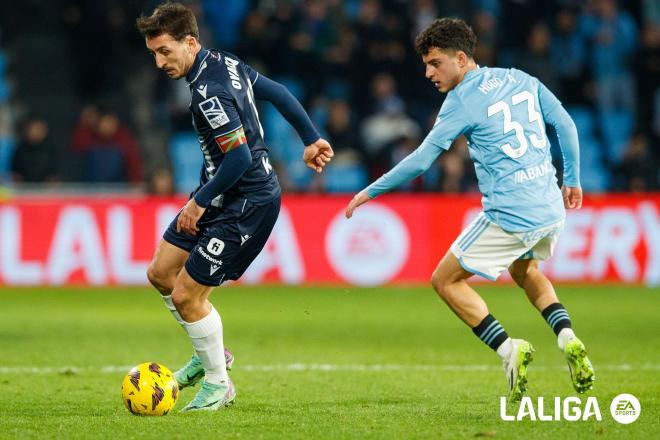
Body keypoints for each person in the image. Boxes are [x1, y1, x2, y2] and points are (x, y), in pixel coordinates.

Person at [346, 18, 594, 402]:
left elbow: (421, 160)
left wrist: (370, 191)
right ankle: (568, 337)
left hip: (511, 212)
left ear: (461, 58)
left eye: (435, 63)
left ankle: (509, 350)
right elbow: (565, 123)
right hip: (549, 207)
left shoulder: (460, 101)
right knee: (525, 269)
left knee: (444, 280)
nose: (428, 72)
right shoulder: (520, 77)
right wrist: (573, 178)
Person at [135, 2, 333, 411]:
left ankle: (217, 384)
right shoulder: (223, 62)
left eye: (165, 51)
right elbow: (277, 91)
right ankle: (209, 352)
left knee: (189, 296)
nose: (159, 62)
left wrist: (198, 204)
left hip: (247, 200)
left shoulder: (210, 92)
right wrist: (310, 137)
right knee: (161, 273)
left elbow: (239, 157)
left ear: (190, 42)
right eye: (154, 53)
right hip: (221, 189)